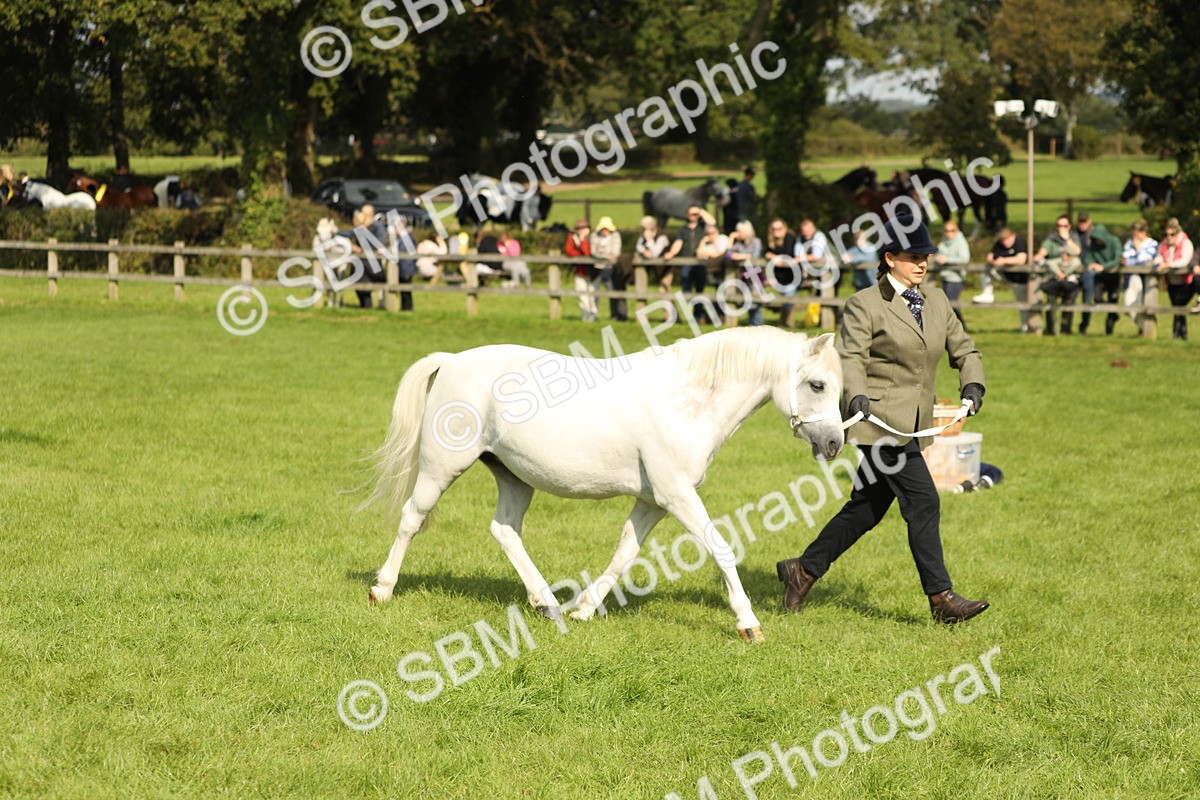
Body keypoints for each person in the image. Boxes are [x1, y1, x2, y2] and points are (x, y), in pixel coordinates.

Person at [776, 212, 989, 625]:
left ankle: (802, 570)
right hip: (878, 424)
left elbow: (965, 349)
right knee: (923, 502)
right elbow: (851, 357)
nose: (923, 263)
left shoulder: (938, 300)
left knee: (867, 508)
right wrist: (855, 396)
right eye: (913, 256)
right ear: (890, 258)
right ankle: (941, 599)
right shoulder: (864, 304)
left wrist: (972, 384)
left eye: (926, 255)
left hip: (914, 422)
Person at [1033, 214, 1083, 335]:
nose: (1061, 228)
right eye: (1059, 225)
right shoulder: (1051, 239)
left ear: (1069, 226)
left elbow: (1078, 252)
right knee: (1050, 303)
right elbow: (1041, 253)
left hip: (1069, 277)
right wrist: (1038, 257)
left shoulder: (1074, 238)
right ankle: (1050, 330)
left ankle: (1065, 329)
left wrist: (1066, 239)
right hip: (1054, 277)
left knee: (1069, 302)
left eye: (1064, 225)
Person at [664, 205, 714, 321]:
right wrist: (671, 253)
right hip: (687, 262)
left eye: (696, 214)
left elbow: (712, 222)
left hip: (700, 263)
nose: (694, 216)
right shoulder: (683, 229)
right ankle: (699, 312)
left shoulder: (702, 227)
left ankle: (698, 314)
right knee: (686, 290)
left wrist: (701, 211)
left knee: (699, 290)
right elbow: (678, 242)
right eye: (692, 214)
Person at [1076, 212, 1123, 335]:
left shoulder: (1114, 241)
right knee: (1097, 297)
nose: (1097, 242)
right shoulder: (1093, 245)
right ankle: (1111, 314)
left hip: (1113, 276)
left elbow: (1116, 259)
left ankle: (1110, 327)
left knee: (1113, 300)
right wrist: (1091, 264)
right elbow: (1088, 258)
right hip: (1100, 278)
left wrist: (1103, 266)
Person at [983, 228, 1032, 332]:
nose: (1006, 243)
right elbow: (989, 256)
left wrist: (1003, 261)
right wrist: (994, 261)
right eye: (1003, 241)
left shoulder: (1019, 242)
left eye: (1008, 240)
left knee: (1022, 303)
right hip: (1005, 276)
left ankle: (1025, 327)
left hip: (1021, 279)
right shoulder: (1000, 242)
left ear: (1013, 236)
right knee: (985, 271)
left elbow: (1021, 259)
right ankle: (987, 293)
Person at [1153, 217, 1194, 340]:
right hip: (1171, 281)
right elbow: (1158, 256)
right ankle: (1181, 334)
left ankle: (1177, 333)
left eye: (1172, 234)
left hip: (1186, 282)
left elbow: (1185, 261)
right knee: (1176, 306)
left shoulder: (1186, 243)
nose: (1169, 237)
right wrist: (1160, 263)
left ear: (1178, 233)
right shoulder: (1163, 244)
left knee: (1178, 305)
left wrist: (1168, 265)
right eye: (1167, 234)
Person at [1121, 220, 1159, 330]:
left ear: (1143, 232)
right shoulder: (1129, 242)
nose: (1134, 237)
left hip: (1146, 278)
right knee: (1128, 304)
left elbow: (1144, 260)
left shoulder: (1152, 243)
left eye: (1136, 233)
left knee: (1142, 303)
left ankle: (1144, 328)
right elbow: (1126, 259)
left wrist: (1137, 248)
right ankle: (1141, 325)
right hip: (1131, 277)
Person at [726, 220, 764, 325]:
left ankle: (757, 326)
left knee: (755, 302)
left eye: (740, 231)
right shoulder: (738, 244)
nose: (738, 234)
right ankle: (753, 326)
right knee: (748, 302)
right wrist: (731, 238)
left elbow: (754, 257)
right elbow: (728, 256)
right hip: (744, 277)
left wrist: (739, 256)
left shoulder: (756, 241)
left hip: (756, 276)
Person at [935, 220, 971, 329]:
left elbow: (964, 259)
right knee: (949, 304)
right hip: (945, 276)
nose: (949, 233)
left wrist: (947, 260)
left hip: (956, 278)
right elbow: (938, 253)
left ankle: (960, 326)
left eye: (952, 230)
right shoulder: (944, 242)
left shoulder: (960, 242)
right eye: (946, 230)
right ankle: (957, 327)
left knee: (952, 304)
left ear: (957, 230)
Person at [764, 218, 798, 326]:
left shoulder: (789, 237)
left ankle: (788, 324)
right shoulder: (771, 240)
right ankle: (783, 323)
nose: (776, 231)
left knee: (788, 299)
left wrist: (774, 257)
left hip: (792, 275)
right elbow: (766, 252)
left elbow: (787, 254)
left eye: (779, 228)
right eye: (774, 229)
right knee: (784, 300)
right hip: (778, 277)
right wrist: (774, 257)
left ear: (784, 228)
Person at [590, 216, 625, 321]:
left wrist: (600, 251)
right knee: (594, 293)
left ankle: (615, 316)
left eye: (607, 228)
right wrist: (605, 255)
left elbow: (615, 253)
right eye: (603, 228)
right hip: (596, 268)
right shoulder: (594, 235)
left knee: (613, 293)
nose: (605, 231)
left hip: (611, 268)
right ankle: (593, 315)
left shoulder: (615, 236)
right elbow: (593, 252)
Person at [566, 219, 597, 322]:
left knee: (592, 295)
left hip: (593, 271)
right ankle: (585, 316)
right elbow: (569, 251)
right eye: (579, 229)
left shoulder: (593, 238)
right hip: (580, 271)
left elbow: (588, 253)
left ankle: (593, 315)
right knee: (582, 295)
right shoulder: (572, 237)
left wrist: (583, 241)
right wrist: (579, 254)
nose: (581, 231)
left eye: (584, 228)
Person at [636, 215, 672, 292]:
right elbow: (638, 246)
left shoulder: (662, 238)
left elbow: (655, 254)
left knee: (663, 291)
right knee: (641, 289)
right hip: (653, 268)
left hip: (665, 268)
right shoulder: (643, 235)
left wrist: (649, 240)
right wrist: (644, 251)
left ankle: (670, 304)